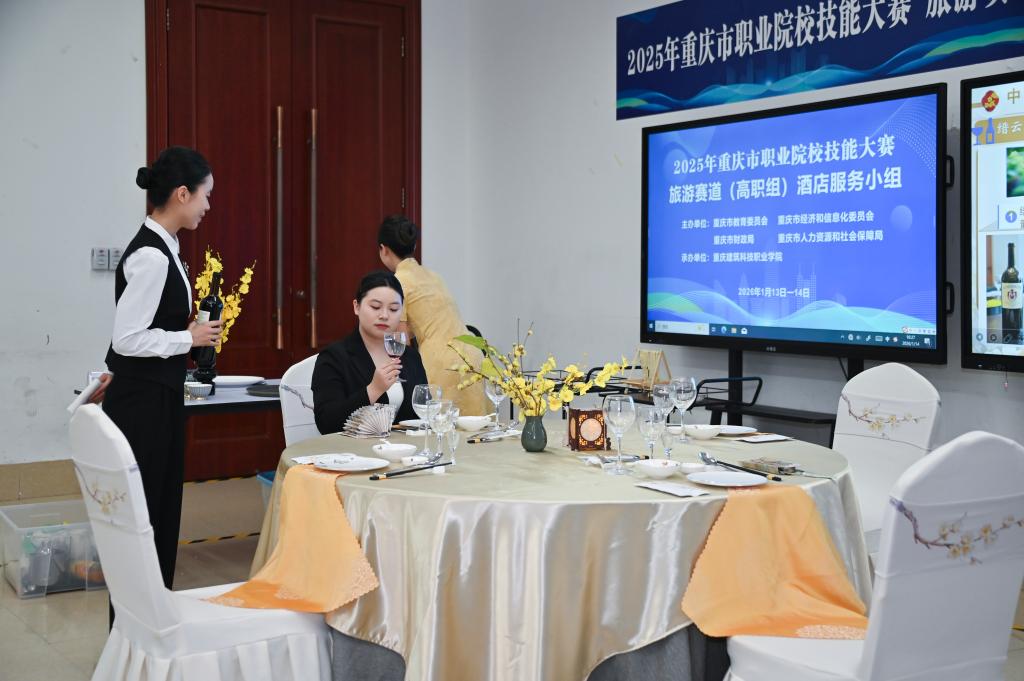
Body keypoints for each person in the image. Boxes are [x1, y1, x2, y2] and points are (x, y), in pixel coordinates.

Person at [92, 147, 221, 615]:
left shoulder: (167, 246)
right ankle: (135, 629)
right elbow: (127, 339)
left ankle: (150, 622)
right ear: (182, 194)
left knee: (159, 512)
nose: (208, 206)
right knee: (144, 518)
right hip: (142, 405)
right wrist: (188, 338)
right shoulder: (152, 255)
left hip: (155, 398)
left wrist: (184, 335)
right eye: (205, 195)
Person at [377, 215, 488, 415]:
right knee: (474, 427)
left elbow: (402, 343)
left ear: (384, 249)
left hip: (441, 361)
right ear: (413, 246)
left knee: (441, 426)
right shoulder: (434, 276)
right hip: (472, 354)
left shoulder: (398, 281)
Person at [312, 271, 428, 433]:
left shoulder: (410, 356)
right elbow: (327, 423)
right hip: (354, 448)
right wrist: (373, 389)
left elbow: (424, 412)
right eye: (375, 307)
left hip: (405, 448)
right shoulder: (333, 357)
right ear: (356, 307)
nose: (384, 315)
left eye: (394, 309)